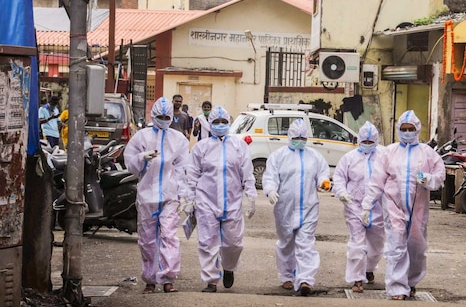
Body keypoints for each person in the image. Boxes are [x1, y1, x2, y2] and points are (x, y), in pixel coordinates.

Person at [360, 111, 445, 300]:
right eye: (404, 129)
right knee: (396, 244)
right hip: (393, 204)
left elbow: (440, 175)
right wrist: (367, 205)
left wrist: (428, 179)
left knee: (417, 247)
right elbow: (376, 181)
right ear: (398, 130)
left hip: (418, 207)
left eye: (411, 129)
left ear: (417, 129)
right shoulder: (389, 152)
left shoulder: (427, 153)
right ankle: (397, 287)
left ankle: (411, 281)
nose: (407, 132)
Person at [182, 106, 257, 293]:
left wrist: (251, 197)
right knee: (207, 242)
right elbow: (192, 174)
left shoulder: (239, 146)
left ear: (229, 123)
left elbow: (247, 173)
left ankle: (229, 267)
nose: (221, 125)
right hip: (206, 201)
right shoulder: (201, 148)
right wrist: (189, 199)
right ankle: (211, 280)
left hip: (232, 201)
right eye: (216, 122)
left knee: (234, 243)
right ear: (210, 124)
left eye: (224, 122)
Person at [124, 97, 190, 293]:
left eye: (166, 116)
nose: (163, 119)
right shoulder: (141, 137)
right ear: (153, 116)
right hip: (147, 196)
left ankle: (168, 278)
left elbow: (183, 168)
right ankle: (150, 279)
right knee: (147, 239)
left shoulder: (178, 140)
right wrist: (141, 159)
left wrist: (184, 194)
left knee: (169, 236)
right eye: (160, 116)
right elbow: (131, 165)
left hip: (169, 196)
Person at [262, 118, 331, 296]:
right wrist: (270, 190)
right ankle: (286, 276)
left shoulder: (314, 156)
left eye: (303, 137)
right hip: (285, 207)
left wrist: (324, 182)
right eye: (296, 137)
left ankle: (305, 279)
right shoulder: (278, 156)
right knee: (286, 243)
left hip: (308, 207)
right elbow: (270, 176)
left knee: (306, 243)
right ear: (289, 136)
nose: (300, 140)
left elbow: (323, 172)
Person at [332, 121, 386, 293]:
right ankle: (357, 279)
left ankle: (369, 268)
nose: (367, 145)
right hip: (354, 206)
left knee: (377, 245)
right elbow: (339, 178)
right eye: (365, 142)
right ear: (359, 140)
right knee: (357, 243)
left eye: (371, 142)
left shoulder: (384, 156)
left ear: (376, 141)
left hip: (378, 208)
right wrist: (342, 193)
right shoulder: (349, 158)